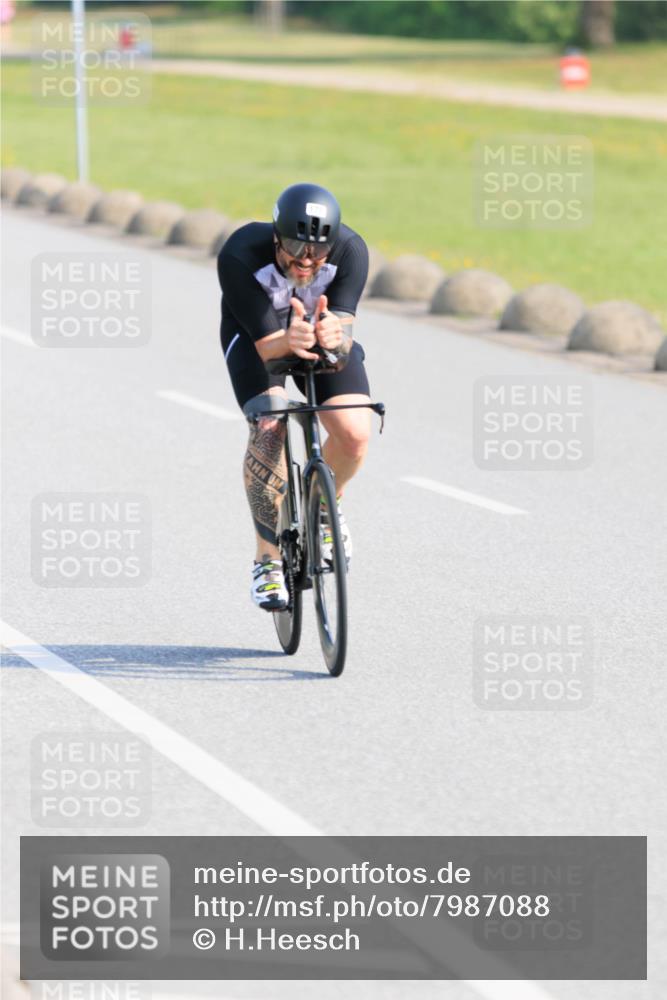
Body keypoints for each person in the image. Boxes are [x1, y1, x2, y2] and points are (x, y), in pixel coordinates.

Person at [217, 182, 371, 610]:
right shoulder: (239, 253)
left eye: (317, 251)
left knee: (355, 433)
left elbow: (343, 340)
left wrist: (335, 336)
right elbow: (269, 349)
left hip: (315, 336)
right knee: (270, 425)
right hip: (257, 339)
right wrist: (289, 337)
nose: (305, 259)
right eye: (295, 247)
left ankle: (324, 505)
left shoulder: (351, 251)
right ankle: (267, 560)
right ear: (275, 237)